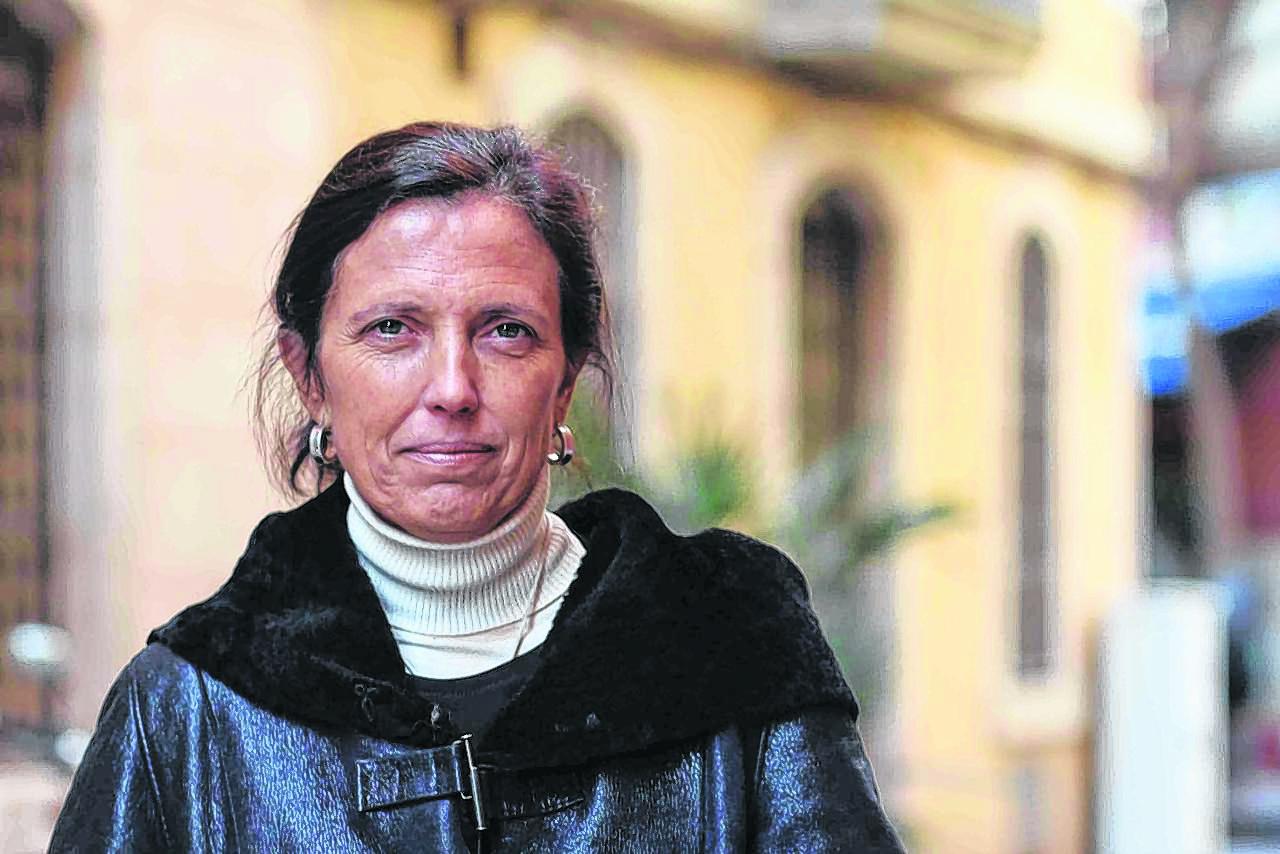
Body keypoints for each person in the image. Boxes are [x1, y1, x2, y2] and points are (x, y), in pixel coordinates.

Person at [49, 122, 904, 852]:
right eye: (393, 329)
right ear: (309, 376)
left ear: (564, 381)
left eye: (505, 332)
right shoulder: (188, 711)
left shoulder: (734, 640)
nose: (453, 388)